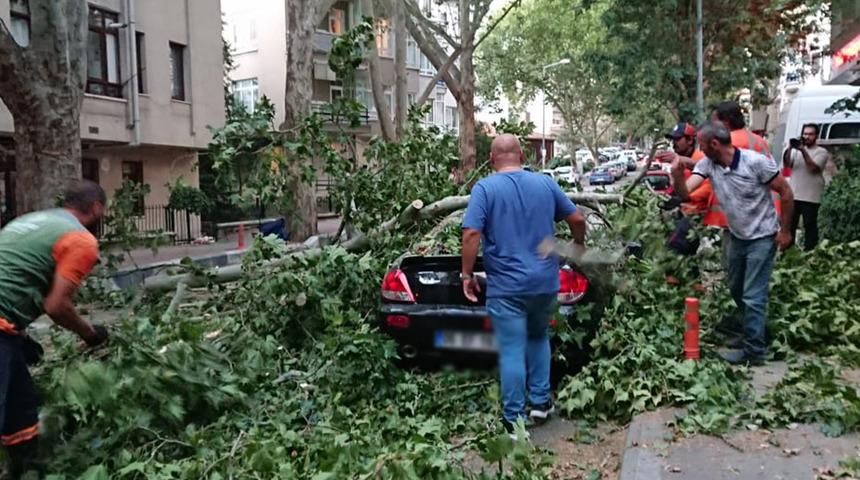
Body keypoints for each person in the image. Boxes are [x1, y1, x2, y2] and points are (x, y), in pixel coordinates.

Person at [461, 134, 586, 436]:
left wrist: (466, 275)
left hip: (507, 287)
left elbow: (471, 236)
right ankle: (541, 403)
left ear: (491, 160)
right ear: (521, 154)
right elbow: (578, 218)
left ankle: (514, 421)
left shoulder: (485, 188)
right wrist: (575, 247)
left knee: (513, 349)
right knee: (538, 337)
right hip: (544, 283)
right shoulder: (545, 183)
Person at [0, 180, 110, 477]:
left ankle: (24, 470)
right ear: (97, 208)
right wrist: (90, 334)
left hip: (6, 330)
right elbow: (56, 305)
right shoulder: (81, 240)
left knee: (20, 408)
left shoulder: (32, 219)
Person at [665, 123, 794, 366]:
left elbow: (786, 193)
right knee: (735, 288)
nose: (699, 151)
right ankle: (754, 333)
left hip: (763, 237)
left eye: (702, 145)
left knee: (753, 295)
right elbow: (686, 195)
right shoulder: (708, 164)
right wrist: (676, 174)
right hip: (737, 236)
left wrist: (786, 232)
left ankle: (754, 351)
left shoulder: (755, 163)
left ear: (714, 144)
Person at [782, 124, 830, 250]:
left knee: (809, 226)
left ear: (816, 136)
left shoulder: (821, 152)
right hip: (794, 194)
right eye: (805, 134)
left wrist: (803, 151)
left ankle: (810, 253)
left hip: (811, 196)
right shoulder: (796, 151)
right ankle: (788, 254)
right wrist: (789, 148)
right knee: (790, 225)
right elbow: (787, 164)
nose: (807, 137)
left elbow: (813, 168)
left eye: (810, 134)